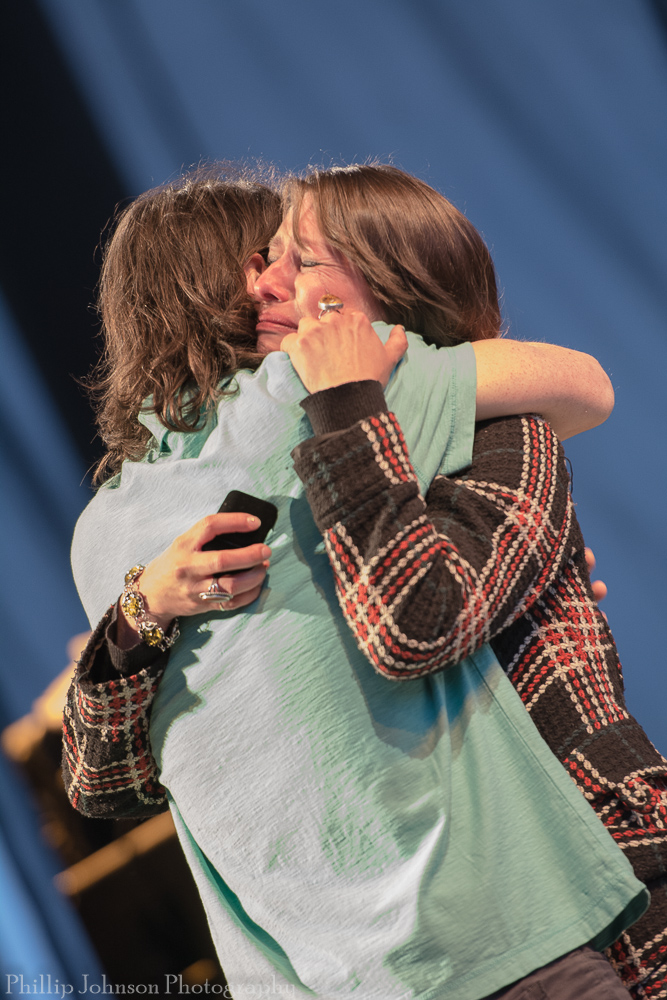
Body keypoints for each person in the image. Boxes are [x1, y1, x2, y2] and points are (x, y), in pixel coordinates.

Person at [64, 164, 646, 999]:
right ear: (221, 285)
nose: (274, 282)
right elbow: (584, 383)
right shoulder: (308, 389)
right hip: (486, 935)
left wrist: (137, 609)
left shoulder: (100, 530)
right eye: (264, 258)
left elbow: (103, 785)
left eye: (297, 259)